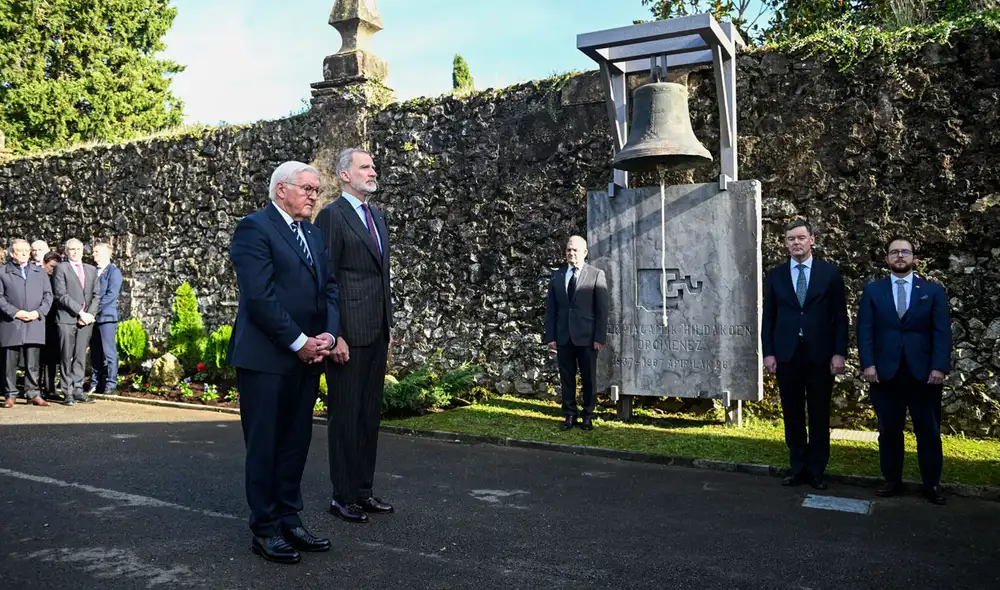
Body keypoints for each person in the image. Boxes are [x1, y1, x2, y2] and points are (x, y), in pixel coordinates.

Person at [228, 160, 341, 564]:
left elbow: (329, 287)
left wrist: (328, 334)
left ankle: (290, 519)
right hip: (267, 359)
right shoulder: (255, 228)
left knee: (295, 443)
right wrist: (298, 342)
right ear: (281, 190)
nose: (314, 195)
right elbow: (260, 297)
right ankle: (265, 528)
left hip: (309, 357)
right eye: (307, 188)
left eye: (316, 189)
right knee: (265, 445)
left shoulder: (311, 232)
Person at [314, 147, 395, 524]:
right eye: (364, 167)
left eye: (373, 166)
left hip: (376, 332)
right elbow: (324, 279)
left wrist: (388, 328)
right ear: (344, 175)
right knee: (344, 416)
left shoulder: (376, 216)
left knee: (368, 417)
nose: (372, 171)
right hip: (347, 335)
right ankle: (342, 495)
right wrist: (334, 334)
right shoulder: (332, 216)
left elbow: (382, 278)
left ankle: (363, 491)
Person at [857, 236, 950, 505]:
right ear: (886, 258)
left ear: (914, 258)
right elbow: (865, 330)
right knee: (889, 430)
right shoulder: (874, 291)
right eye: (894, 252)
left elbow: (942, 332)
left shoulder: (932, 291)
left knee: (929, 431)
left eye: (905, 252)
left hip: (924, 374)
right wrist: (868, 364)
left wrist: (939, 366)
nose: (900, 256)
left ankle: (931, 484)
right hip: (885, 374)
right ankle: (892, 480)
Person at [761, 220, 847, 490]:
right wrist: (768, 353)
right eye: (790, 239)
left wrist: (839, 353)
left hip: (820, 355)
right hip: (787, 355)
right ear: (785, 243)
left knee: (820, 414)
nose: (795, 242)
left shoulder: (829, 273)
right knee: (793, 414)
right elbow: (769, 317)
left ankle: (817, 469)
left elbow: (840, 318)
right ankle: (798, 467)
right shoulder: (776, 275)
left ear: (813, 240)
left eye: (800, 237)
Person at [544, 235, 609, 431]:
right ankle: (569, 414)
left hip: (587, 337)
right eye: (568, 250)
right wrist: (551, 336)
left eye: (575, 250)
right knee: (567, 377)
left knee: (589, 377)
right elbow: (552, 309)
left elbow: (602, 310)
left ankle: (587, 415)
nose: (571, 253)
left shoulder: (596, 275)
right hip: (564, 336)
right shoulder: (557, 276)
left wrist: (599, 337)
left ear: (584, 253)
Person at [0, 239, 53, 407]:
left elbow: (48, 295)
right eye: (20, 251)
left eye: (26, 250)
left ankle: (33, 393)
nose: (24, 253)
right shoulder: (2, 272)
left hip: (34, 320)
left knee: (33, 361)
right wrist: (16, 312)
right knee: (10, 361)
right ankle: (11, 394)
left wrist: (38, 312)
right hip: (12, 321)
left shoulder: (39, 272)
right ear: (11, 253)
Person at [51, 238, 100, 405]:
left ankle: (78, 389)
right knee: (66, 356)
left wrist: (89, 315)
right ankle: (67, 391)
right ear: (66, 251)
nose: (75, 252)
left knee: (80, 355)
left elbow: (96, 295)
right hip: (67, 318)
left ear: (83, 250)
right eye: (72, 249)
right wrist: (80, 312)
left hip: (87, 320)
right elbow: (60, 294)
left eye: (78, 249)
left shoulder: (91, 270)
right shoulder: (61, 268)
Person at [88, 242, 122, 393]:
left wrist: (92, 311)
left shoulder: (113, 272)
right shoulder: (91, 271)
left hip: (106, 317)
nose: (93, 254)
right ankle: (95, 382)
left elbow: (110, 296)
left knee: (109, 352)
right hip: (91, 318)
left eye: (96, 252)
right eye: (93, 252)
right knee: (95, 352)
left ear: (107, 254)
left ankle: (111, 383)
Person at [39, 252, 63, 400]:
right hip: (41, 320)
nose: (53, 269)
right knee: (39, 358)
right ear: (44, 264)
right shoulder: (40, 278)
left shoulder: (58, 279)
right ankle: (37, 388)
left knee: (52, 358)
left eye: (56, 267)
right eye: (51, 266)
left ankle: (50, 389)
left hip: (54, 321)